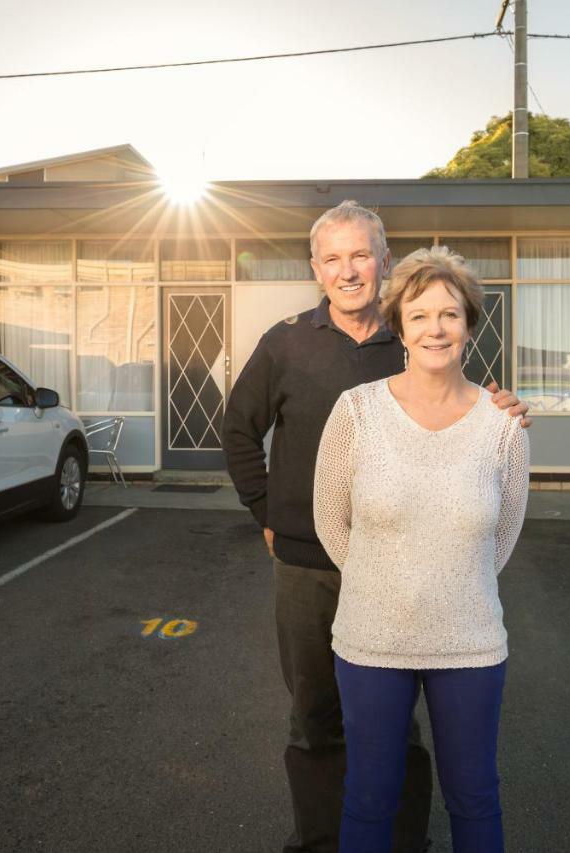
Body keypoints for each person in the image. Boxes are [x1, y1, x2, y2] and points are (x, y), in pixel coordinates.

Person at [221, 201, 529, 853]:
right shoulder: (285, 340)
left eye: (360, 254)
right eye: (332, 258)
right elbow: (238, 430)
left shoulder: (410, 329)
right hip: (309, 563)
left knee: (401, 735)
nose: (348, 269)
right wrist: (268, 514)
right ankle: (318, 841)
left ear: (384, 261)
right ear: (316, 269)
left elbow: (491, 502)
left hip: (414, 570)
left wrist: (501, 409)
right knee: (314, 718)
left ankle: (402, 841)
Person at [312, 247, 529, 853]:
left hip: (470, 642)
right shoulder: (356, 412)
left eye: (450, 315)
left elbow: (503, 532)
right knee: (370, 798)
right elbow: (331, 521)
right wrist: (385, 585)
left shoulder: (503, 423)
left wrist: (452, 583)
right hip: (372, 641)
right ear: (399, 327)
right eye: (420, 315)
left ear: (468, 326)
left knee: (475, 797)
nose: (436, 328)